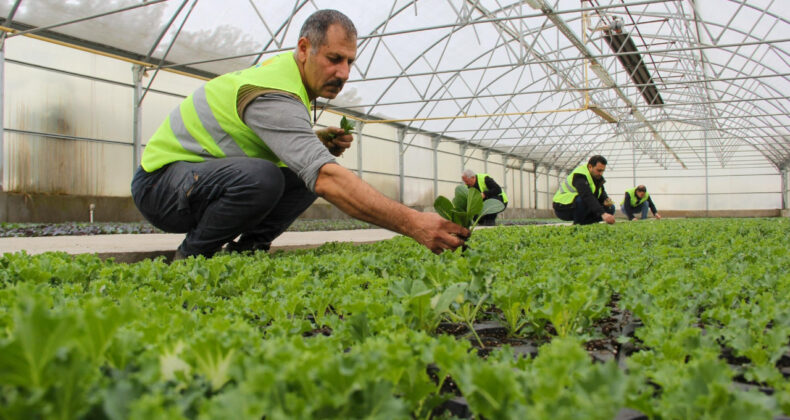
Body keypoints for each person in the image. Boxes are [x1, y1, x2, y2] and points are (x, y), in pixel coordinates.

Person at [131, 9, 468, 259]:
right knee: (282, 176)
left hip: (195, 180)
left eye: (350, 62)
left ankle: (248, 252)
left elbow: (249, 142)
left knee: (301, 174)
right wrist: (414, 223)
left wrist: (316, 142)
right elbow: (325, 177)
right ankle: (191, 259)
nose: (344, 72)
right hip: (161, 186)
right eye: (335, 59)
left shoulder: (289, 83)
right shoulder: (273, 92)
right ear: (305, 49)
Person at [552, 155, 616, 225]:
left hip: (578, 206)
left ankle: (586, 224)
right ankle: (578, 225)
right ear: (590, 167)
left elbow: (601, 193)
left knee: (610, 208)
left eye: (603, 171)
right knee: (582, 200)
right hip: (563, 207)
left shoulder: (597, 177)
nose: (601, 173)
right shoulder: (579, 175)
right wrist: (603, 213)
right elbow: (586, 196)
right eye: (599, 170)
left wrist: (606, 200)